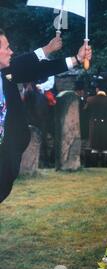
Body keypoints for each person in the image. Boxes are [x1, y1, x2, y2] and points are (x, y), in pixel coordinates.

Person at [0, 29, 92, 203]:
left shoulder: (7, 72)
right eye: (7, 47)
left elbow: (40, 68)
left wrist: (77, 59)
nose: (11, 51)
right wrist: (47, 49)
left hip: (8, 156)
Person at [85, 80, 107, 167]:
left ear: (97, 89)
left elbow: (85, 111)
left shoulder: (90, 100)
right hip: (106, 126)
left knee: (94, 147)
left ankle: (94, 165)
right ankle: (104, 164)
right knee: (105, 147)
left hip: (94, 126)